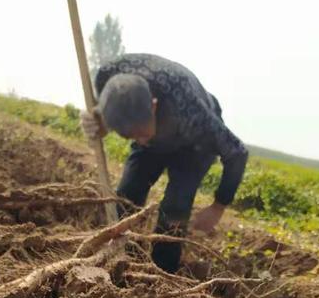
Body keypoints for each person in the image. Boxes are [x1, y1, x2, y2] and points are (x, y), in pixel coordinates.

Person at [81, 53, 248, 273]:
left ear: (153, 106)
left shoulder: (194, 115)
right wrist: (99, 122)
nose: (141, 141)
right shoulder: (106, 77)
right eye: (131, 136)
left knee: (175, 207)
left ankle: (163, 272)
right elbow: (104, 112)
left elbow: (237, 152)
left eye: (141, 134)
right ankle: (121, 256)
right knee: (127, 194)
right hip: (153, 123)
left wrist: (218, 206)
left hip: (194, 147)